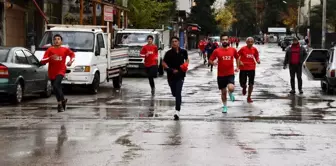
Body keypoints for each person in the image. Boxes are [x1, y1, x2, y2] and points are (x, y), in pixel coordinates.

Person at [40, 34, 75, 112]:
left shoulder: (65, 49)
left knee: (56, 85)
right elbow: (43, 60)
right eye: (55, 39)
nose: (56, 41)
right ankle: (61, 102)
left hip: (61, 71)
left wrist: (70, 61)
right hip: (52, 72)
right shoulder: (49, 50)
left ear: (61, 41)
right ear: (53, 41)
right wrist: (50, 58)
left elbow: (72, 55)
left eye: (58, 39)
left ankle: (60, 104)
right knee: (56, 88)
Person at [209, 34, 239, 113]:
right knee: (223, 92)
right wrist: (213, 63)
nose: (225, 41)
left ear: (228, 40)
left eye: (226, 39)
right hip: (221, 75)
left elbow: (237, 58)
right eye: (223, 39)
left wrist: (238, 67)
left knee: (231, 88)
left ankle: (230, 92)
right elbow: (210, 60)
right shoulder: (217, 51)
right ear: (221, 41)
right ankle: (225, 106)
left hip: (230, 73)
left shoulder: (233, 50)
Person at [163, 37, 189, 120]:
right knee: (174, 93)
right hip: (171, 75)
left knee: (178, 92)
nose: (174, 43)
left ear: (178, 42)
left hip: (180, 75)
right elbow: (163, 62)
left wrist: (185, 65)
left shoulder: (183, 51)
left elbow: (187, 59)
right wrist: (169, 69)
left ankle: (177, 111)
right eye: (173, 41)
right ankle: (178, 102)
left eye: (176, 41)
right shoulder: (168, 53)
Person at [238, 37, 260, 103]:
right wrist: (239, 61)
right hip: (243, 68)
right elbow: (236, 55)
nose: (250, 43)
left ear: (253, 42)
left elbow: (256, 56)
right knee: (242, 83)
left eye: (251, 42)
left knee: (251, 84)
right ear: (246, 42)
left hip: (251, 68)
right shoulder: (243, 49)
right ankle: (244, 87)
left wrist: (258, 60)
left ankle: (249, 97)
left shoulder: (254, 49)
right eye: (249, 41)